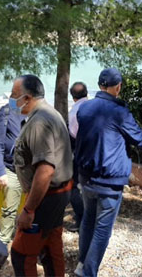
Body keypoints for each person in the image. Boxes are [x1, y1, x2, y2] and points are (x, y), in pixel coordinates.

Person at [73, 68, 142, 277]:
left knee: (88, 219)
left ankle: (81, 263)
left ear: (99, 85)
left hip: (86, 177)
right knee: (102, 228)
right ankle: (87, 272)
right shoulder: (119, 112)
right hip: (109, 181)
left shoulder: (84, 108)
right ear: (118, 87)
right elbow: (141, 140)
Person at [8, 75, 74, 277]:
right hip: (57, 193)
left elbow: (45, 170)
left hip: (46, 197)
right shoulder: (51, 113)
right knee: (51, 248)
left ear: (27, 98)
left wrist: (29, 210)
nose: (11, 98)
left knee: (22, 254)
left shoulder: (39, 123)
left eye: (14, 95)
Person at [0, 86, 26, 244]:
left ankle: (31, 241)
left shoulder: (37, 113)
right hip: (11, 170)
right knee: (9, 210)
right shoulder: (6, 112)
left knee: (35, 208)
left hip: (33, 170)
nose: (13, 97)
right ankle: (3, 243)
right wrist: (0, 171)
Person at [65, 82, 88, 231]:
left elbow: (73, 134)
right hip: (94, 153)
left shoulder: (73, 113)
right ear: (87, 93)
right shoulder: (94, 107)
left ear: (72, 97)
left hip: (78, 153)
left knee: (73, 187)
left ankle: (81, 219)